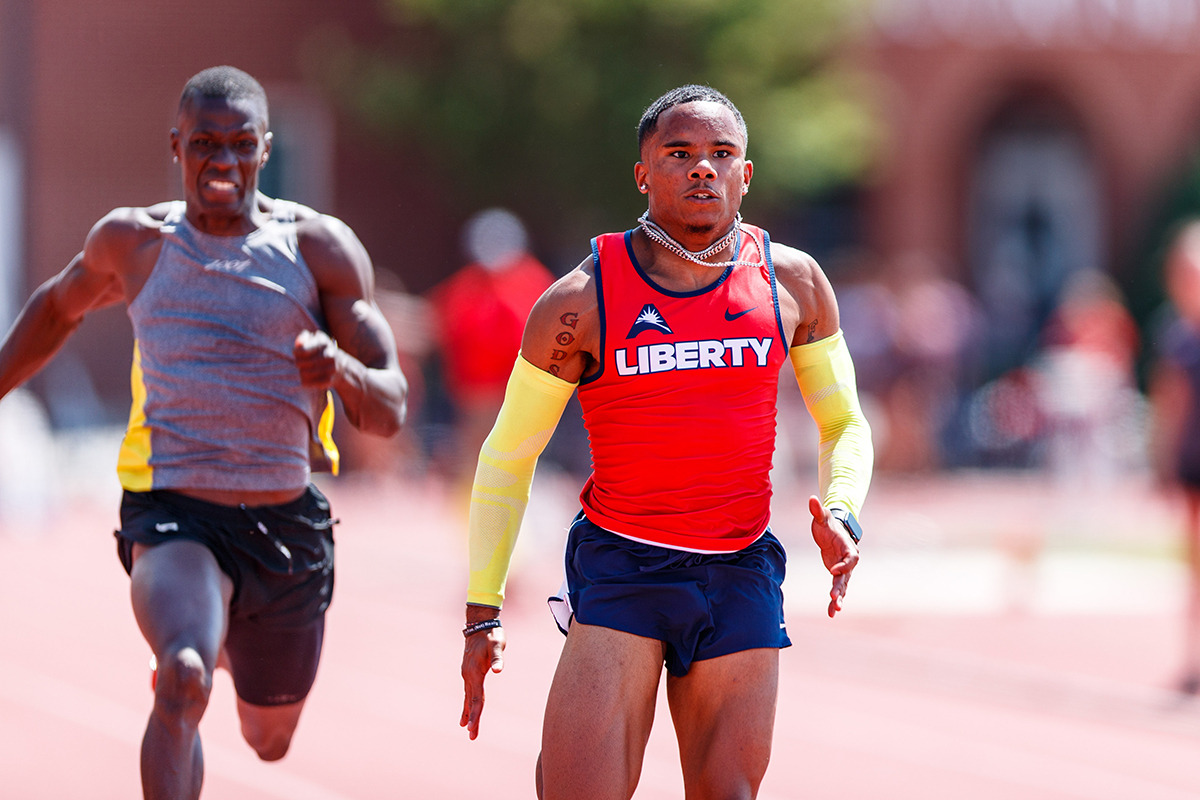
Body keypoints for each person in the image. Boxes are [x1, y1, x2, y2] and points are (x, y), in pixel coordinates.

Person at [0, 66, 408, 799]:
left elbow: (390, 406)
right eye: (204, 145)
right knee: (184, 680)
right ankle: (193, 641)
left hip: (285, 524)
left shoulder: (318, 250)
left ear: (266, 148)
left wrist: (340, 370)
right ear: (176, 146)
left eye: (240, 145)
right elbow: (57, 310)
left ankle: (219, 632)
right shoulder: (135, 243)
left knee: (269, 740)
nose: (222, 162)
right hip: (174, 511)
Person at [459, 85, 873, 799]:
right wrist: (481, 611)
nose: (702, 169)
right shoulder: (578, 301)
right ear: (643, 173)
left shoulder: (794, 282)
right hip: (624, 568)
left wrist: (843, 511)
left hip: (740, 570)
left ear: (746, 174)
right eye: (679, 154)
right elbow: (507, 456)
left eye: (721, 155)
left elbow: (844, 425)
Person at [429, 208, 554, 483]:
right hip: (474, 394)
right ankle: (474, 518)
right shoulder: (468, 285)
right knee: (478, 460)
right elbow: (438, 323)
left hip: (518, 391)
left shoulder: (533, 282)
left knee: (512, 460)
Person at [1149, 220, 1200, 696]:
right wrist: (1162, 460)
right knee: (1195, 566)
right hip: (1193, 464)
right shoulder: (1178, 333)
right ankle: (1193, 660)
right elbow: (1170, 401)